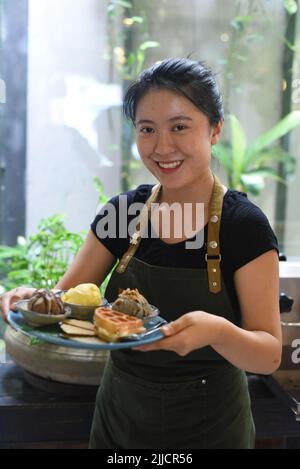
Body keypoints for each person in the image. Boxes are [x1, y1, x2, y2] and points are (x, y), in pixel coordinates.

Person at [0, 58, 282, 449]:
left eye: (179, 127)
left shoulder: (243, 226)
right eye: (147, 129)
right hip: (122, 420)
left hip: (211, 425)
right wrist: (31, 298)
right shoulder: (124, 213)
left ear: (215, 129)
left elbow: (268, 355)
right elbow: (67, 300)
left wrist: (216, 331)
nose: (162, 147)